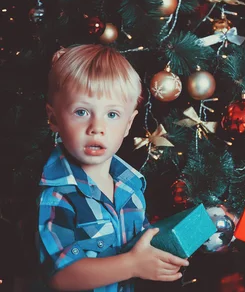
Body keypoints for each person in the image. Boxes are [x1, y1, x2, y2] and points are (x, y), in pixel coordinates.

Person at [38, 44, 189, 291]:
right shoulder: (58, 195)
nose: (97, 127)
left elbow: (141, 245)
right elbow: (61, 277)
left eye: (112, 114)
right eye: (82, 111)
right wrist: (132, 265)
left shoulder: (131, 185)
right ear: (54, 118)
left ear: (128, 124)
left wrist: (161, 257)